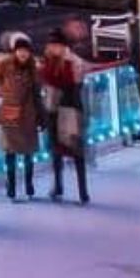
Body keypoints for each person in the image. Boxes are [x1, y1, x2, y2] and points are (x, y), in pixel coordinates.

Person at [0, 34, 44, 199]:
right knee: (10, 152)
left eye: (26, 51)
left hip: (28, 114)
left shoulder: (34, 67)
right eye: (20, 51)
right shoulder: (5, 65)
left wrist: (41, 116)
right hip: (9, 112)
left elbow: (37, 94)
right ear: (15, 51)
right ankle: (11, 186)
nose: (23, 54)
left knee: (28, 153)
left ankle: (28, 184)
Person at [40, 28, 91, 202]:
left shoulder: (73, 62)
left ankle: (83, 191)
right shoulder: (48, 61)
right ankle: (58, 186)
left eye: (56, 45)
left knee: (75, 150)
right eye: (51, 45)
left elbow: (73, 85)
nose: (53, 48)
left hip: (70, 110)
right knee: (56, 150)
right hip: (53, 110)